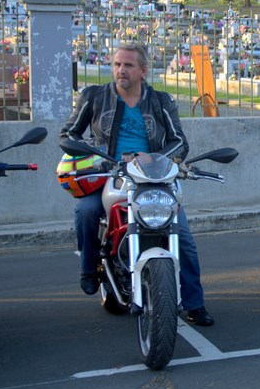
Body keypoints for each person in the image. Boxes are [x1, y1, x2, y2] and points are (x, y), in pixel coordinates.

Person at [59, 41, 214, 326]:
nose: (121, 70)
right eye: (117, 64)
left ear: (143, 71)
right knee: (85, 212)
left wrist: (154, 157)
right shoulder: (94, 97)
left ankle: (194, 303)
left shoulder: (161, 101)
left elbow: (179, 142)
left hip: (152, 177)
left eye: (128, 65)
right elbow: (68, 135)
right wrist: (95, 156)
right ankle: (88, 270)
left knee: (184, 238)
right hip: (110, 175)